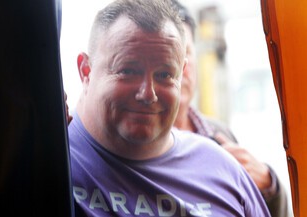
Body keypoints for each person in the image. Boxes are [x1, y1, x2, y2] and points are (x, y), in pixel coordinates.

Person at [68, 0, 271, 216]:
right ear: (86, 71)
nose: (148, 93)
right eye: (128, 71)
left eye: (164, 75)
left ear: (181, 74)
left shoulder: (225, 173)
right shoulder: (48, 158)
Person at [171, 1, 289, 216]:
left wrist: (268, 185)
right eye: (168, 54)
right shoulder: (134, 141)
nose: (179, 66)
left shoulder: (219, 133)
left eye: (185, 52)